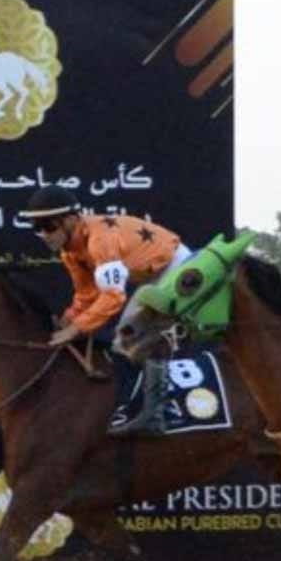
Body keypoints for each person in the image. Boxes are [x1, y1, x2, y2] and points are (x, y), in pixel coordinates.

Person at [18, 185, 190, 433]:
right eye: (37, 228)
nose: (44, 235)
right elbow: (87, 294)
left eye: (49, 226)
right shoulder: (70, 252)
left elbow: (113, 297)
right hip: (151, 278)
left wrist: (75, 329)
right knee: (124, 336)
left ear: (71, 220)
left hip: (176, 268)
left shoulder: (100, 241)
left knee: (128, 336)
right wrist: (69, 318)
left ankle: (155, 415)